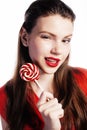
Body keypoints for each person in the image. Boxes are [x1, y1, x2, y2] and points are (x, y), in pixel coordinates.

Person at [0, 0, 87, 129]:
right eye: (46, 37)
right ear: (25, 37)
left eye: (65, 40)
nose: (58, 50)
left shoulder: (84, 79)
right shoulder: (6, 97)